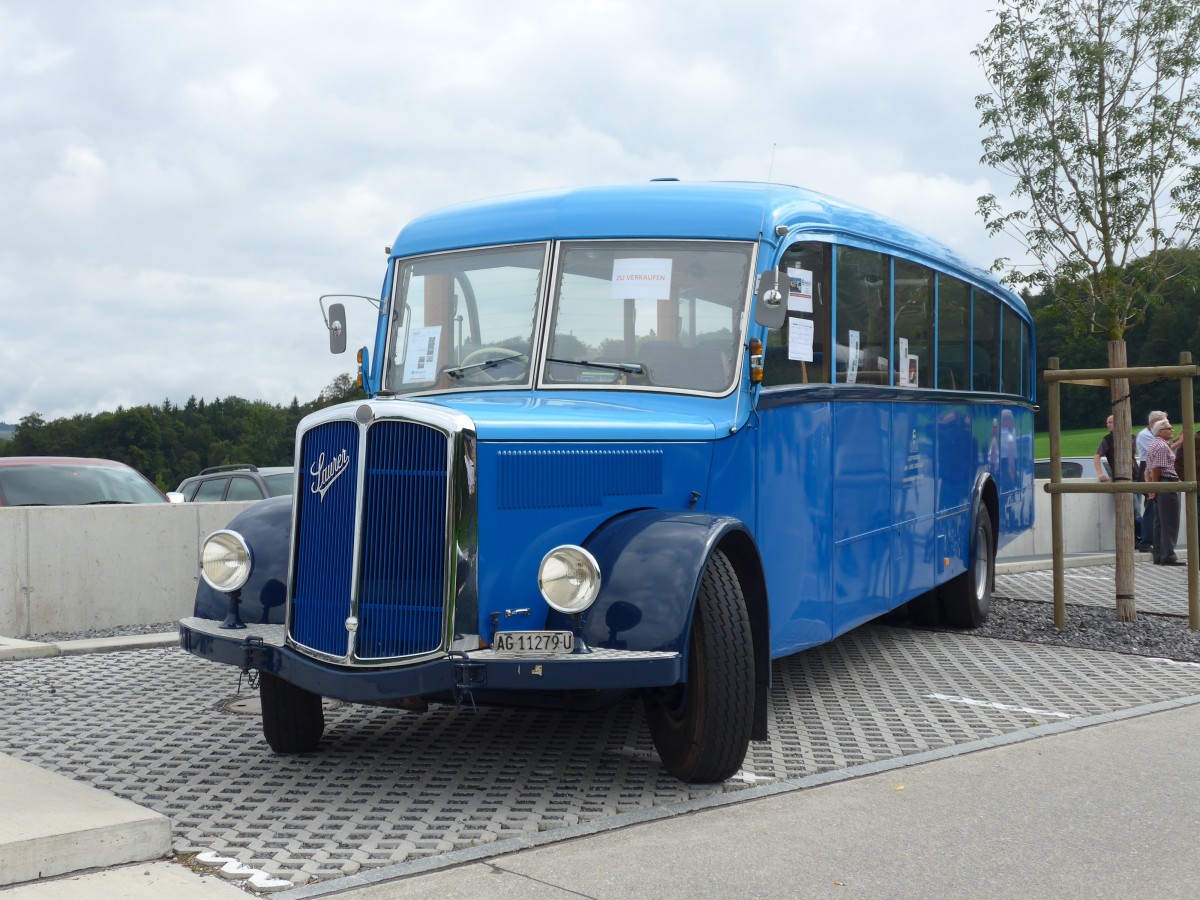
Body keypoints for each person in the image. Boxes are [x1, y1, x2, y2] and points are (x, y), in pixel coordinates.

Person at [1094, 413, 1147, 550]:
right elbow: (1097, 456)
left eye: (1110, 422)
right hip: (1123, 479)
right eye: (1107, 422)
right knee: (1135, 511)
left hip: (1135, 476)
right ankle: (1142, 540)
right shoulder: (1107, 440)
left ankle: (1138, 539)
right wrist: (1100, 473)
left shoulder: (1132, 438)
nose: (1108, 425)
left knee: (1137, 510)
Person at [1144, 417, 1183, 566]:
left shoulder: (1155, 444)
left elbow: (1150, 469)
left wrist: (1152, 487)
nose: (1172, 430)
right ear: (1160, 432)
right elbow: (1156, 468)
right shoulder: (1161, 446)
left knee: (1160, 522)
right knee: (1170, 521)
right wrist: (1156, 486)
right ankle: (1168, 555)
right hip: (1167, 484)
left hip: (1160, 484)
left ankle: (1159, 554)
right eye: (1169, 428)